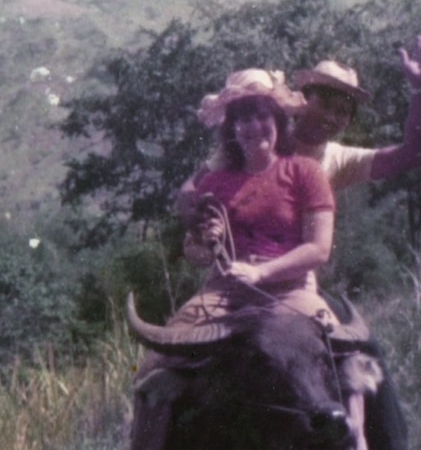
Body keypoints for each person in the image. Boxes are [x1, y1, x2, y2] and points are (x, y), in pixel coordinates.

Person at [178, 32, 421, 450]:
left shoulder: (327, 161)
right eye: (327, 102)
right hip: (228, 287)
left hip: (294, 280)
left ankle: (385, 442)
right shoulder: (246, 140)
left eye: (344, 110)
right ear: (304, 99)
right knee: (164, 367)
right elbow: (195, 196)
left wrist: (419, 89)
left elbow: (412, 155)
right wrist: (198, 224)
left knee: (359, 354)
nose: (333, 117)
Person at [132, 68, 359, 449]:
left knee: (345, 357)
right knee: (155, 368)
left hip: (290, 292)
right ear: (232, 129)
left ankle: (356, 442)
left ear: (277, 122)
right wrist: (207, 240)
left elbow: (318, 249)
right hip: (223, 293)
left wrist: (261, 271)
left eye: (261, 116)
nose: (253, 127)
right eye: (242, 118)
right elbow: (196, 252)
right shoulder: (216, 181)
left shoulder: (305, 172)